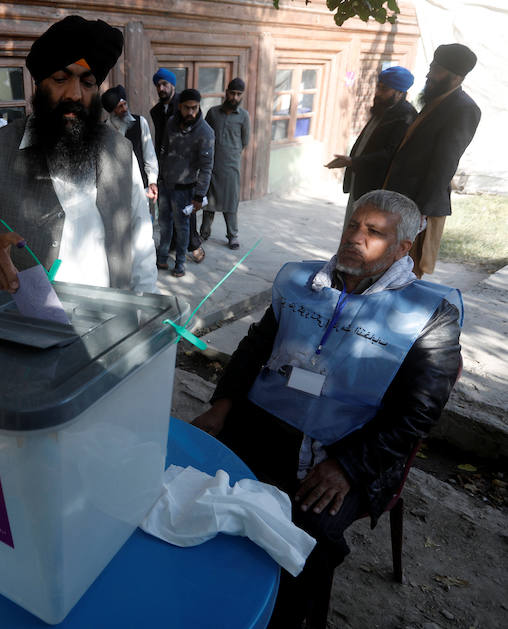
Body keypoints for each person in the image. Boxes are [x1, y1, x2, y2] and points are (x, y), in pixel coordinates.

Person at [192, 189, 462, 628]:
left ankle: (285, 616)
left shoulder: (429, 313)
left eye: (373, 232)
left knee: (304, 533)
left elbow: (417, 414)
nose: (355, 237)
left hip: (350, 445)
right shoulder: (303, 282)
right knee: (199, 475)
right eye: (353, 225)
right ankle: (208, 590)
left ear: (402, 248)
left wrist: (349, 467)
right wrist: (222, 406)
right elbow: (255, 347)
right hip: (267, 416)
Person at [0, 15, 156, 294]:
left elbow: (141, 240)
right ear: (39, 85)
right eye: (60, 79)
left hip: (112, 323)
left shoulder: (120, 150)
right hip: (30, 328)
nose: (75, 94)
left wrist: (148, 312)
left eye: (88, 83)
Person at [385, 44, 481, 278]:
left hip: (419, 205)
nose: (429, 74)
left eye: (436, 69)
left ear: (455, 76)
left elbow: (445, 164)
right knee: (387, 261)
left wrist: (421, 212)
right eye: (431, 67)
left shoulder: (463, 109)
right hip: (401, 198)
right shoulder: (436, 99)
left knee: (406, 269)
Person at [326, 66, 417, 221]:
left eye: (384, 89)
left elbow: (390, 154)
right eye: (378, 87)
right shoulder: (383, 109)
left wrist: (352, 161)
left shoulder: (405, 116)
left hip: (376, 187)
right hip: (360, 180)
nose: (378, 93)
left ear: (399, 93)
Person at [156, 88, 214, 277]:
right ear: (179, 106)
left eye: (195, 108)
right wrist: (159, 178)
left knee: (183, 229)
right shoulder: (171, 122)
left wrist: (199, 195)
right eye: (187, 108)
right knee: (164, 224)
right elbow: (163, 150)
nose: (191, 112)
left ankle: (180, 264)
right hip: (165, 185)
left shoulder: (206, 132)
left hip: (186, 190)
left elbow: (206, 168)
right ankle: (162, 257)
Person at [202, 77, 251, 250]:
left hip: (231, 167)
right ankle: (204, 233)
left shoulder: (244, 116)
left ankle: (233, 236)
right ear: (226, 92)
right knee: (208, 202)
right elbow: (204, 136)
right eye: (232, 93)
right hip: (212, 166)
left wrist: (231, 154)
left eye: (239, 94)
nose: (235, 97)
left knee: (231, 203)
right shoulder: (213, 113)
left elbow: (245, 141)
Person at [102, 84, 159, 206]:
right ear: (112, 111)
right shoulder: (104, 130)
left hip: (140, 189)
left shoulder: (140, 123)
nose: (125, 109)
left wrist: (152, 181)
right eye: (119, 107)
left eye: (125, 104)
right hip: (114, 192)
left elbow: (149, 155)